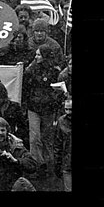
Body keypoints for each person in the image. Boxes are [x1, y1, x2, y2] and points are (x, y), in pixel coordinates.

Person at [23, 44, 62, 176]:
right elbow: (26, 88)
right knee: (35, 137)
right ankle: (37, 164)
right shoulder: (31, 70)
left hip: (48, 109)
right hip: (33, 107)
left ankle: (48, 164)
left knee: (47, 138)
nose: (36, 57)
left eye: (39, 55)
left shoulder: (55, 71)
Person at [53, 96, 72, 191]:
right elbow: (58, 144)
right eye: (66, 109)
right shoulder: (61, 121)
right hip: (67, 163)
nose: (68, 112)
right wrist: (57, 163)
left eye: (70, 109)